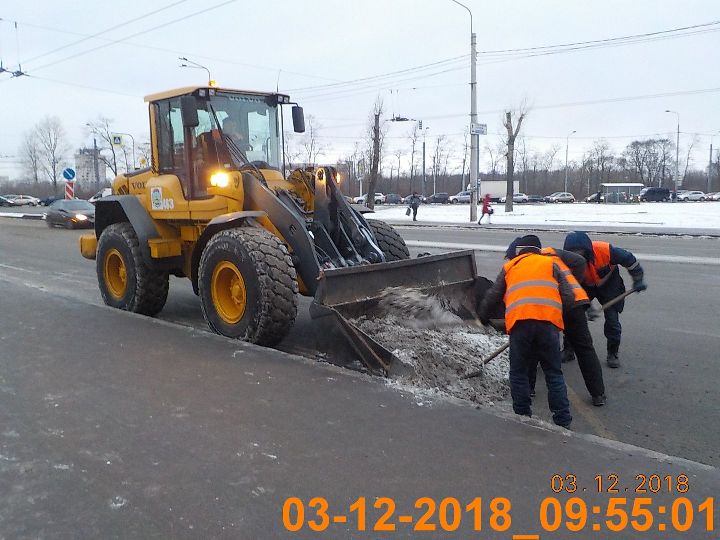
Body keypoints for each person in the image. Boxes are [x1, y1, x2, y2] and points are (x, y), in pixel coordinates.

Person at [478, 235, 575, 428]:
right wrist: (554, 312)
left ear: (519, 251)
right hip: (548, 326)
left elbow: (493, 296)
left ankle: (522, 416)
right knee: (553, 373)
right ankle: (562, 419)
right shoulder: (552, 264)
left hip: (520, 325)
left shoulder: (511, 266)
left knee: (519, 371)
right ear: (538, 250)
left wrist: (482, 317)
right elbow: (569, 296)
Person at [563, 231, 647, 368]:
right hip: (584, 287)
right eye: (573, 252)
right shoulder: (566, 262)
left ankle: (612, 353)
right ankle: (568, 350)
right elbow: (572, 287)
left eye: (580, 251)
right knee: (573, 317)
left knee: (612, 320)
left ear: (587, 249)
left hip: (610, 285)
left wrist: (638, 279)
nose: (577, 254)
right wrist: (587, 306)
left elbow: (630, 260)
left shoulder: (605, 251)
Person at [539, 245, 606, 406]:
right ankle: (598, 394)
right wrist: (573, 282)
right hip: (575, 303)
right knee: (585, 348)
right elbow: (580, 261)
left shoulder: (524, 263)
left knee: (538, 342)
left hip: (553, 305)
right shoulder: (552, 252)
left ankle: (530, 388)